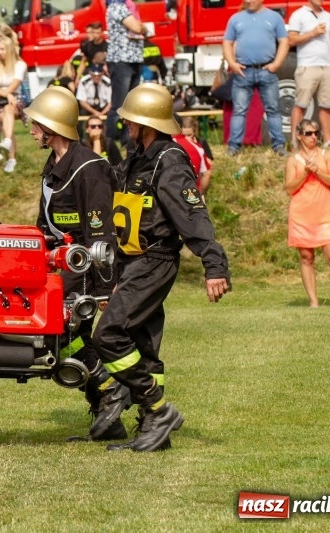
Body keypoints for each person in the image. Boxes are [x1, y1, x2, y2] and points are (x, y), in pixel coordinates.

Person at [93, 84, 230, 452]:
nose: (125, 126)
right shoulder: (137, 158)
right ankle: (153, 429)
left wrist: (214, 265)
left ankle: (157, 407)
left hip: (155, 261)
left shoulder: (169, 160)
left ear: (144, 122)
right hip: (133, 261)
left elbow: (192, 216)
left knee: (108, 335)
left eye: (130, 120)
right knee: (143, 346)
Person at [23, 87, 129, 441]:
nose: (31, 130)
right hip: (58, 267)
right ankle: (106, 417)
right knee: (69, 336)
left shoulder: (90, 168)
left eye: (36, 124)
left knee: (61, 334)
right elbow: (45, 225)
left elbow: (101, 234)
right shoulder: (52, 166)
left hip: (84, 269)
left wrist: (105, 287)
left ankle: (112, 388)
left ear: (53, 127)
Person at [285, 120, 330, 307]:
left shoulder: (326, 155)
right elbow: (289, 188)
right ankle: (314, 302)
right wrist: (304, 174)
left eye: (316, 133)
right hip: (301, 215)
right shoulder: (293, 160)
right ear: (299, 136)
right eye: (309, 133)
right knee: (306, 258)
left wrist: (316, 171)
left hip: (324, 214)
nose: (314, 137)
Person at [223, 0, 289, 157]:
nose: (247, 1)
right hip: (243, 72)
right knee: (239, 110)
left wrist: (276, 64)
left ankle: (279, 146)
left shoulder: (274, 17)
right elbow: (227, 42)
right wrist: (232, 64)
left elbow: (284, 42)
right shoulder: (235, 19)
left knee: (273, 109)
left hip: (267, 71)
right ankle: (233, 148)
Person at [287, 0, 330, 147]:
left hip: (327, 67)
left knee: (326, 105)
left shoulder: (328, 16)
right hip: (307, 66)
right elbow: (291, 40)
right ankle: (295, 142)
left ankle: (328, 142)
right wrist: (313, 33)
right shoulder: (298, 15)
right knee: (301, 105)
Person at [105, 0, 146, 145]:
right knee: (119, 106)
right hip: (122, 61)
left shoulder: (126, 7)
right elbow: (137, 27)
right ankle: (108, 144)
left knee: (131, 105)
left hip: (133, 59)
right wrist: (143, 28)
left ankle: (127, 141)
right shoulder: (117, 7)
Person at [0, 36, 27, 173]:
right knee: (5, 114)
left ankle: (8, 145)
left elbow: (13, 87)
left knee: (9, 109)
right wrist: (6, 94)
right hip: (0, 100)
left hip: (15, 99)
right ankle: (11, 154)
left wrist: (5, 93)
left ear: (9, 50)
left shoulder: (20, 65)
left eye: (2, 49)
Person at [179, 116, 213, 195]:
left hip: (197, 183)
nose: (187, 138)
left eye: (189, 135)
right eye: (184, 135)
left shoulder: (201, 143)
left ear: (194, 131)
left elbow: (208, 165)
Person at [75, 21, 107, 86]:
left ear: (101, 33)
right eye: (94, 32)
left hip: (104, 73)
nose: (96, 35)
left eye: (98, 33)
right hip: (91, 73)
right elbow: (83, 62)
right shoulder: (87, 46)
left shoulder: (107, 46)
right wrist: (78, 77)